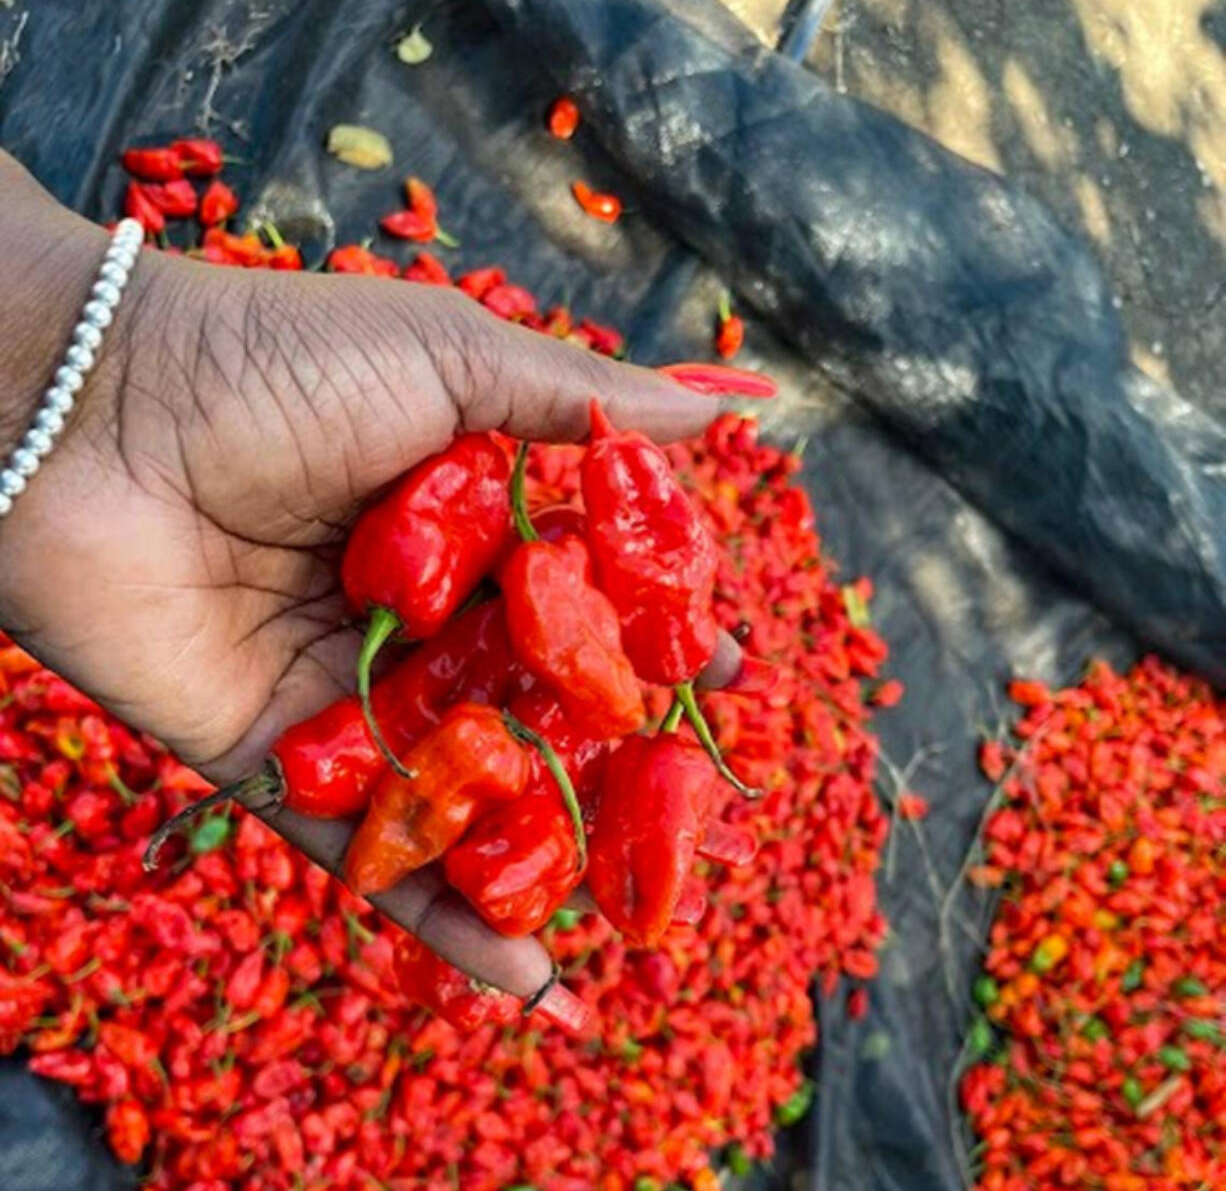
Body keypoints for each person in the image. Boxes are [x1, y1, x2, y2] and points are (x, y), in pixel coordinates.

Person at [0, 148, 741, 1004]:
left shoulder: (528, 656)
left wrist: (87, 363)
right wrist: (112, 361)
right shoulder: (513, 624)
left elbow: (568, 681)